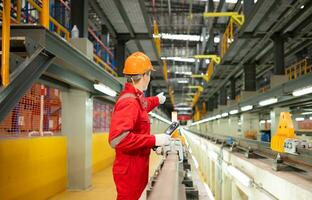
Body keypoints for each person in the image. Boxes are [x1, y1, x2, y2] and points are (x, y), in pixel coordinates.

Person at [109, 52, 171, 200]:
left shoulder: (136, 98)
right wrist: (154, 140)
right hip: (130, 171)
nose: (149, 78)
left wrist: (156, 100)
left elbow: (144, 106)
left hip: (136, 168)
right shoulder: (129, 101)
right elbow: (117, 139)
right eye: (149, 75)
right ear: (144, 76)